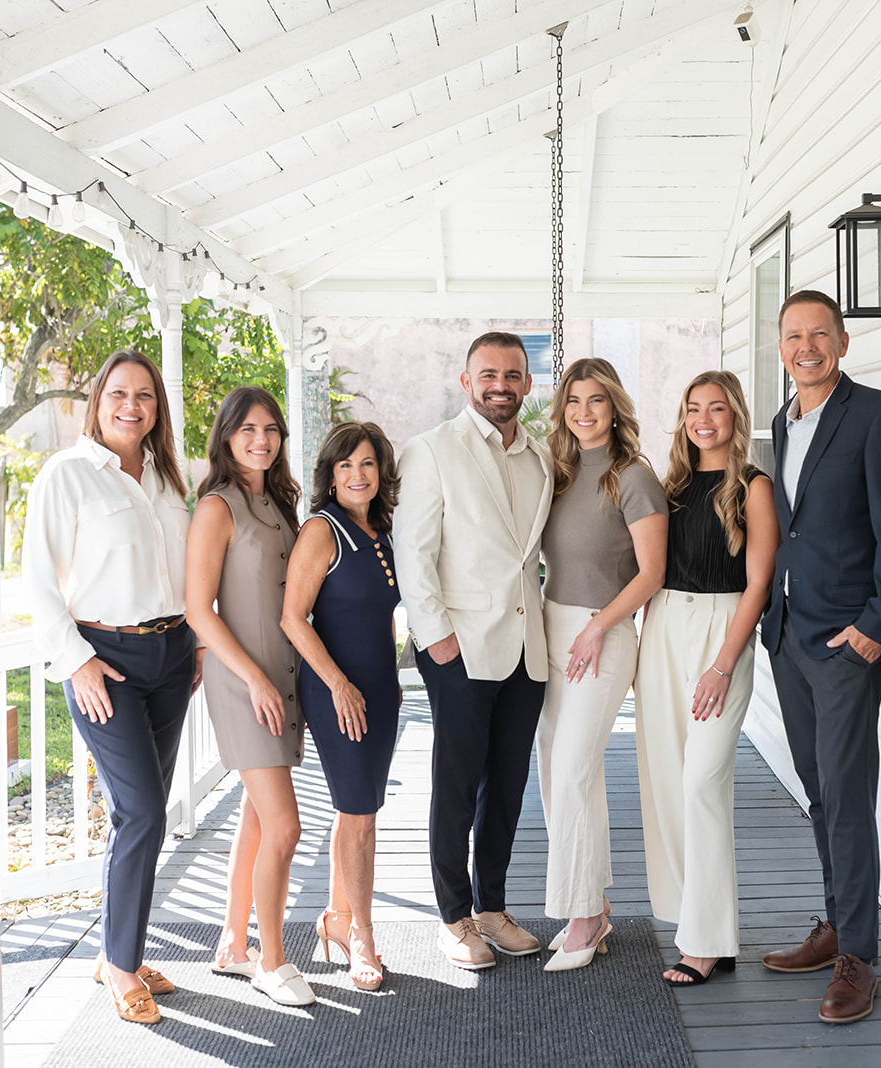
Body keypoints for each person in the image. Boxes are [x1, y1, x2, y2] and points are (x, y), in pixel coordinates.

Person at [757, 290, 881, 1025]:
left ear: (843, 342)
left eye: (819, 334)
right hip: (791, 634)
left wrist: (874, 629)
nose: (807, 346)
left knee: (848, 793)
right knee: (818, 788)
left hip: (845, 642)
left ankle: (859, 952)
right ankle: (835, 924)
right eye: (794, 335)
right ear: (780, 346)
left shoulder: (880, 419)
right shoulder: (784, 421)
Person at [22, 349, 197, 1026]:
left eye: (145, 396)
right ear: (97, 402)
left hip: (172, 655)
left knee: (140, 818)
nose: (132, 406)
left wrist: (196, 643)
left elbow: (186, 569)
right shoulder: (66, 476)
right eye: (119, 394)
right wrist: (77, 661)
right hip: (105, 661)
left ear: (158, 407)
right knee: (145, 813)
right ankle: (122, 966)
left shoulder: (164, 475)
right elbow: (38, 584)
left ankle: (117, 949)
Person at [393, 331, 554, 970]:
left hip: (526, 648)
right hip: (457, 646)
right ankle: (453, 917)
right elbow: (415, 550)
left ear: (527, 383)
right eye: (488, 374)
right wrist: (435, 638)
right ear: (467, 382)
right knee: (456, 784)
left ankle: (492, 907)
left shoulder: (540, 458)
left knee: (508, 786)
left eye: (513, 375)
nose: (501, 385)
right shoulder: (431, 451)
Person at [635, 370, 777, 988]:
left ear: (735, 417)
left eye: (716, 408)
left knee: (702, 782)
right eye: (694, 408)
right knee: (668, 778)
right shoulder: (672, 486)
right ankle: (691, 920)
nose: (703, 419)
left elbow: (760, 584)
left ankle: (708, 943)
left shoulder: (753, 487)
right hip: (664, 622)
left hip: (724, 630)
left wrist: (723, 662)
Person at [185, 386, 315, 1007]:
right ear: (227, 437)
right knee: (286, 827)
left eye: (271, 430)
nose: (261, 440)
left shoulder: (280, 505)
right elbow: (198, 610)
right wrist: (255, 679)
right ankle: (272, 959)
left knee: (259, 818)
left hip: (283, 680)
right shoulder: (218, 507)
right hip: (245, 685)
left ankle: (233, 944)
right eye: (247, 431)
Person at [536, 358, 667, 972]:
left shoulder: (633, 477)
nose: (583, 412)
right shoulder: (557, 473)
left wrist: (597, 627)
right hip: (552, 630)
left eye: (596, 401)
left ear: (615, 407)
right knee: (560, 771)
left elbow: (652, 574)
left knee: (572, 769)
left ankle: (585, 915)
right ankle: (590, 904)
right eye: (573, 401)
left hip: (603, 636)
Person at [282, 421, 404, 993]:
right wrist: (336, 684)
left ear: (381, 473)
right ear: (330, 476)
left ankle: (334, 917)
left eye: (368, 464)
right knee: (358, 817)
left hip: (382, 689)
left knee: (358, 812)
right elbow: (292, 618)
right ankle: (362, 936)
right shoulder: (321, 530)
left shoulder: (379, 529)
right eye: (346, 465)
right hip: (339, 693)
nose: (358, 475)